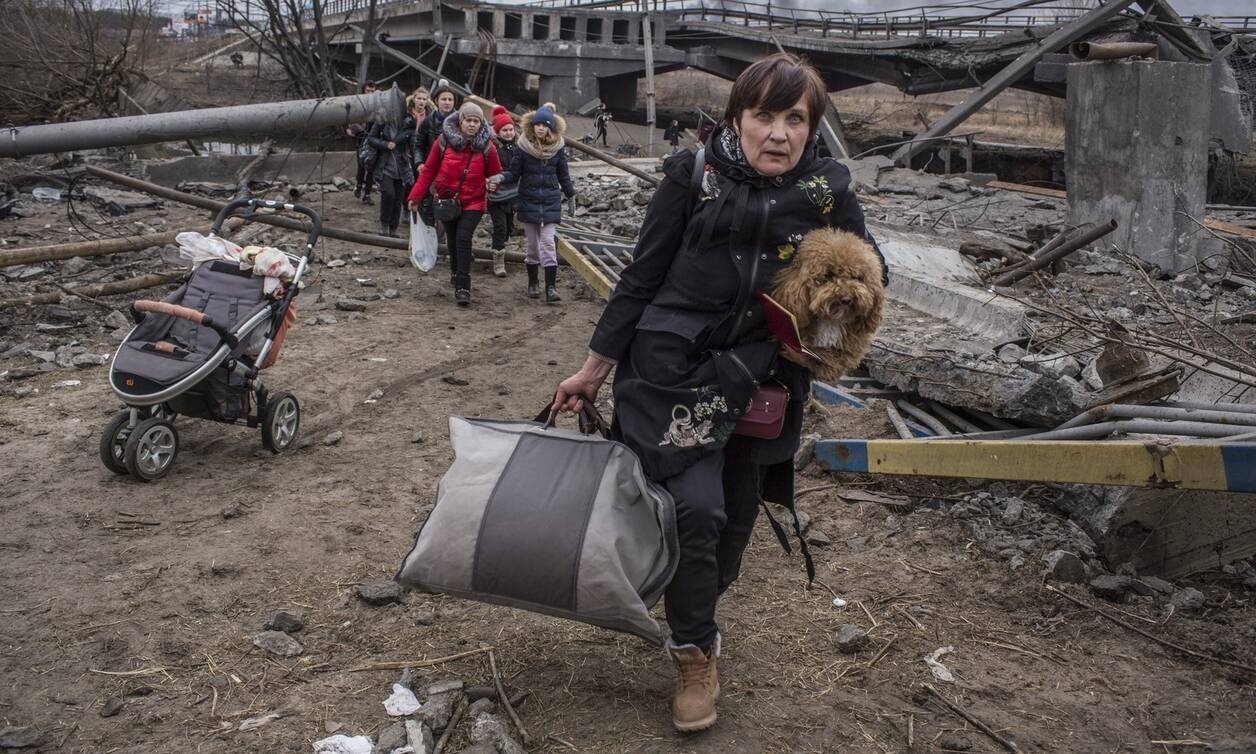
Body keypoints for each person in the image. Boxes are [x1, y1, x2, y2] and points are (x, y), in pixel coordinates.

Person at [551, 53, 887, 733]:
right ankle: (693, 653)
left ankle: (689, 600)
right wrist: (594, 369)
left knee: (733, 526)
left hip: (763, 382)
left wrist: (819, 342)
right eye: (764, 115)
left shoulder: (829, 190)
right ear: (738, 117)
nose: (778, 133)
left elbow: (870, 283)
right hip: (674, 373)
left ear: (811, 127)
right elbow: (640, 278)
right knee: (695, 512)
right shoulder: (692, 175)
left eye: (795, 119)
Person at [407, 101, 502, 308]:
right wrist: (415, 197)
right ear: (461, 121)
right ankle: (454, 272)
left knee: (463, 237)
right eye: (468, 120)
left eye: (476, 121)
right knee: (451, 240)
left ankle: (463, 286)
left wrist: (495, 184)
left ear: (481, 123)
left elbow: (495, 174)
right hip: (446, 200)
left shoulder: (487, 146)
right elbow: (429, 171)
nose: (472, 125)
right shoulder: (443, 142)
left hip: (474, 200)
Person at [490, 102, 574, 303]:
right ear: (532, 126)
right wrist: (500, 177)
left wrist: (571, 195)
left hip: (550, 201)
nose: (540, 128)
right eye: (537, 125)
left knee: (547, 242)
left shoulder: (558, 148)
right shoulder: (523, 148)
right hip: (529, 200)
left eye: (544, 125)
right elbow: (514, 173)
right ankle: (533, 282)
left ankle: (551, 287)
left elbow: (564, 174)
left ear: (550, 127)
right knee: (533, 247)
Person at [414, 80, 459, 227]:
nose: (447, 102)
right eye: (444, 99)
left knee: (450, 204)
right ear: (436, 101)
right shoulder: (427, 122)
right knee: (427, 202)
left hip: (453, 168)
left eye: (450, 99)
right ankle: (428, 231)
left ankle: (444, 236)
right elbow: (418, 145)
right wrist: (419, 163)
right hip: (431, 167)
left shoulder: (460, 122)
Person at [367, 106, 416, 238]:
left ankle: (393, 228)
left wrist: (416, 158)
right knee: (389, 194)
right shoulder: (382, 121)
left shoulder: (409, 123)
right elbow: (371, 138)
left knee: (399, 198)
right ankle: (384, 224)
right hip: (384, 166)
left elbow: (414, 143)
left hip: (402, 167)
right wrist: (385, 144)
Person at [487, 105, 519, 279]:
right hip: (496, 195)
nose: (508, 133)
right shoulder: (493, 149)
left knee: (508, 229)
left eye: (510, 129)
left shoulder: (517, 149)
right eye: (504, 130)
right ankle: (498, 261)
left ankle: (500, 248)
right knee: (500, 227)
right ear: (497, 132)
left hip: (512, 194)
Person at [346, 81, 379, 205]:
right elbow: (352, 120)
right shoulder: (358, 104)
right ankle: (359, 185)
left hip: (374, 138)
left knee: (370, 167)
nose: (370, 94)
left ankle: (367, 194)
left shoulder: (377, 105)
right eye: (368, 91)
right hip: (361, 138)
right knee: (361, 165)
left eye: (372, 91)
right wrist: (356, 130)